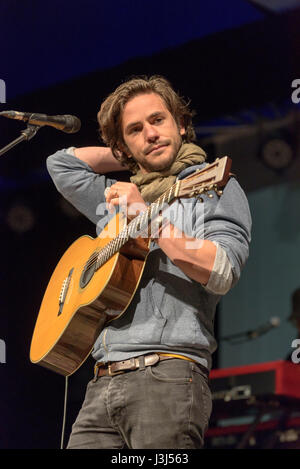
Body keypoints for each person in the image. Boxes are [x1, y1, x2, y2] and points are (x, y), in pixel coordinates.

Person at [46, 75, 251, 449]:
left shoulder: (213, 186)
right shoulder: (120, 198)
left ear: (182, 125)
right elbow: (60, 165)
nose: (151, 134)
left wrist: (149, 217)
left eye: (158, 121)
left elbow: (223, 270)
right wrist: (129, 156)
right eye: (136, 130)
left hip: (168, 374)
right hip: (100, 384)